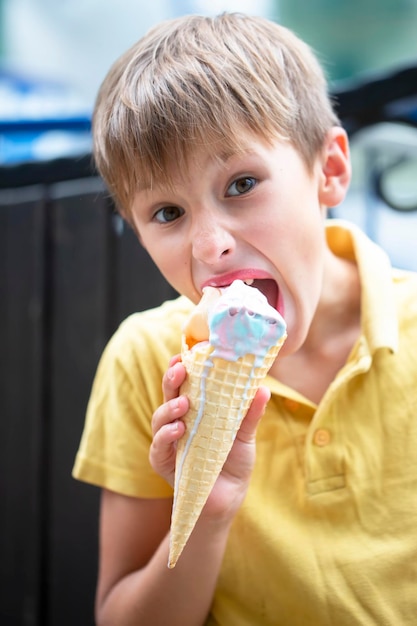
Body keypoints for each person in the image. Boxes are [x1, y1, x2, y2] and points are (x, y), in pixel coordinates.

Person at [72, 12, 417, 626]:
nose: (210, 246)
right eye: (168, 211)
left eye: (242, 183)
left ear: (329, 170)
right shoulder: (145, 359)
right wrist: (206, 507)